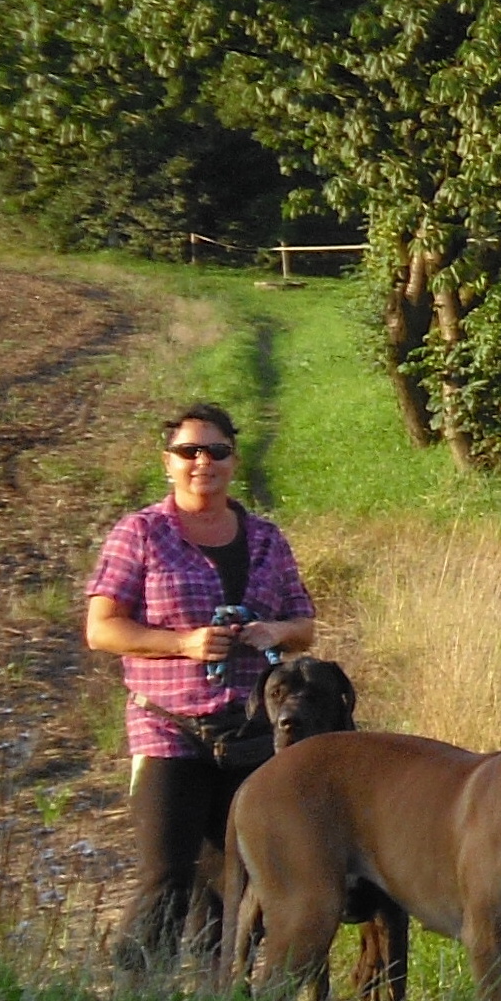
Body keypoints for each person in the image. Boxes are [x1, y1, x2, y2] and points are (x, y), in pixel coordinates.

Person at [83, 401, 318, 969]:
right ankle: (136, 1000)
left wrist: (272, 632)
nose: (201, 463)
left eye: (215, 451)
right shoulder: (140, 533)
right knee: (165, 871)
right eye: (188, 451)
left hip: (248, 731)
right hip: (168, 727)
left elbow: (304, 625)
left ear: (233, 461)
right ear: (168, 462)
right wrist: (183, 643)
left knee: (232, 879)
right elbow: (101, 628)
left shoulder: (265, 539)